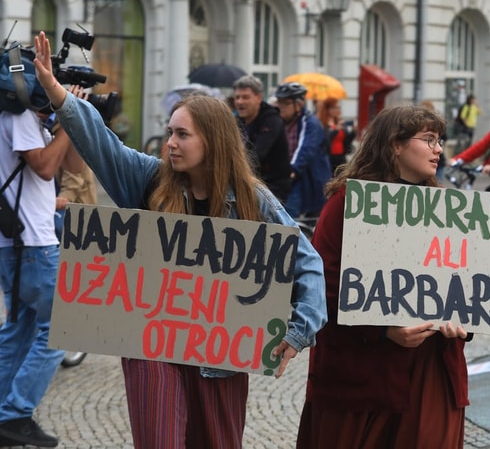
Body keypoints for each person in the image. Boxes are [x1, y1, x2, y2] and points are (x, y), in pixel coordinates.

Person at [32, 30, 327, 448]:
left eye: (182, 135)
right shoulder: (150, 178)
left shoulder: (252, 198)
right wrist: (59, 95)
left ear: (214, 140)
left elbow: (307, 263)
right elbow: (103, 145)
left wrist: (298, 332)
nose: (170, 143)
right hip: (152, 347)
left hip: (220, 357)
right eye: (170, 132)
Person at [296, 105, 469, 449]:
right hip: (363, 373)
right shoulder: (346, 205)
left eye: (440, 141)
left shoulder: (447, 209)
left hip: (430, 368)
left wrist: (464, 320)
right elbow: (321, 286)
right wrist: (383, 330)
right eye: (429, 140)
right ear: (395, 145)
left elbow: (467, 281)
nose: (439, 149)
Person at [0, 87, 84, 446]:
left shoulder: (33, 122)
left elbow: (74, 166)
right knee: (61, 330)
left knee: (20, 329)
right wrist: (66, 114)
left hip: (24, 242)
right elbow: (46, 168)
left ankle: (4, 415)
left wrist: (70, 118)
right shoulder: (18, 118)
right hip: (32, 245)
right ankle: (16, 413)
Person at [275, 82, 331, 218]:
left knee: (288, 218)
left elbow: (305, 149)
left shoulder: (310, 122)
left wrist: (293, 170)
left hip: (304, 177)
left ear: (299, 105)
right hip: (287, 178)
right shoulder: (281, 121)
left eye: (286, 104)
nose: (281, 107)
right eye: (279, 103)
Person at [233, 75, 292, 202]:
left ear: (258, 98)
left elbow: (256, 155)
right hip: (250, 183)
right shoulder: (238, 121)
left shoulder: (272, 120)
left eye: (245, 97)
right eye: (237, 97)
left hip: (273, 187)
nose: (240, 102)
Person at [316, 97, 355, 177]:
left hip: (341, 157)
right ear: (327, 109)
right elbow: (324, 140)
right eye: (334, 107)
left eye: (338, 107)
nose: (336, 110)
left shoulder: (339, 122)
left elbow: (346, 141)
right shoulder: (322, 123)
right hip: (329, 158)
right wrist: (335, 130)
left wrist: (354, 132)